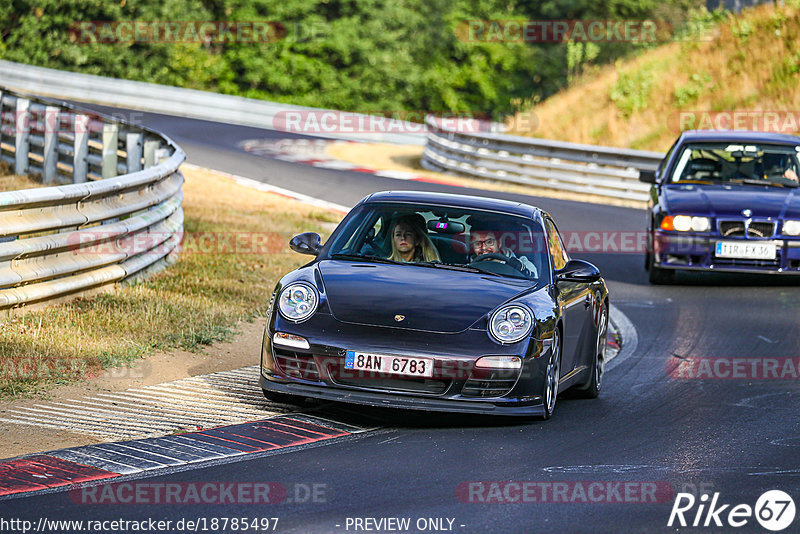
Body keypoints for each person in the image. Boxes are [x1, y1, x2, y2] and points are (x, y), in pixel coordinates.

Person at [468, 218, 538, 277]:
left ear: (499, 243)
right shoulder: (465, 267)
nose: (483, 248)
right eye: (477, 244)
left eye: (489, 242)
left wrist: (521, 271)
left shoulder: (524, 265)